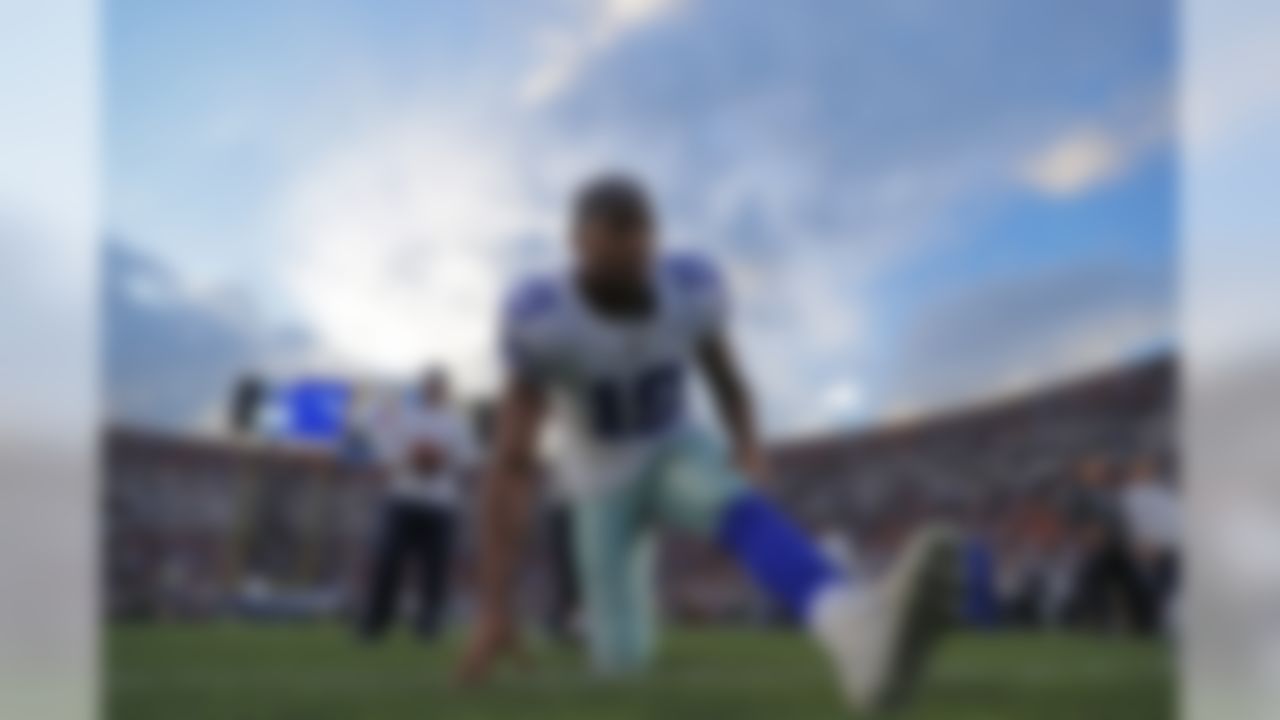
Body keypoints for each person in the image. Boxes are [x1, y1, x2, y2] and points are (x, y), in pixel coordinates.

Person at [455, 173, 957, 712]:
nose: (629, 280)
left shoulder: (688, 288)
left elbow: (729, 383)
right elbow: (511, 465)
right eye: (610, 267)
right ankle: (627, 636)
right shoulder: (543, 318)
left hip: (672, 448)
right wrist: (494, 607)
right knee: (621, 660)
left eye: (638, 259)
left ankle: (854, 625)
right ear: (577, 248)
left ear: (654, 244)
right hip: (597, 482)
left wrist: (747, 447)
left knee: (735, 505)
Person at [353, 368, 478, 641]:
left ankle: (429, 624)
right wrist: (413, 457)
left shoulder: (455, 422)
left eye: (438, 386)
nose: (433, 390)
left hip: (440, 503)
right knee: (388, 559)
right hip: (403, 497)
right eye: (429, 385)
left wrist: (439, 460)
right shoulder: (404, 417)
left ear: (445, 390)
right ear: (423, 388)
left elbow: (467, 459)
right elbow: (387, 450)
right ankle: (375, 622)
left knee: (436, 568)